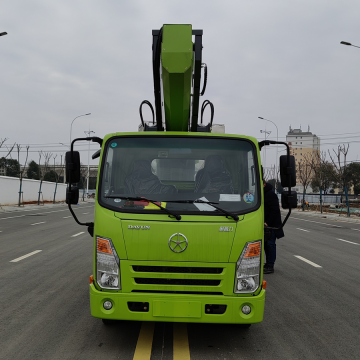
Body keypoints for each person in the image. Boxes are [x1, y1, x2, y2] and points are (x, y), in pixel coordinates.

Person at [263, 180, 284, 274]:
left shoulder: (270, 194)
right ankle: (267, 264)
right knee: (266, 245)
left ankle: (270, 265)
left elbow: (274, 210)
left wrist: (267, 222)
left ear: (263, 184)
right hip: (266, 225)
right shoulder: (263, 193)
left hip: (271, 226)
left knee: (270, 245)